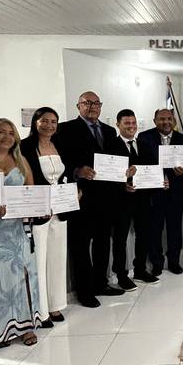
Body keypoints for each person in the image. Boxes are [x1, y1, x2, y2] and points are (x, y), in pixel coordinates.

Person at [0, 118, 41, 347]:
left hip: (16, 231)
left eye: (10, 133)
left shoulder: (20, 160)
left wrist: (40, 209)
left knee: (22, 278)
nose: (6, 136)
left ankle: (25, 327)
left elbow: (31, 192)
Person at [55, 91, 123, 307]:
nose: (92, 106)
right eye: (87, 103)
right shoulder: (65, 129)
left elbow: (116, 161)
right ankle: (84, 291)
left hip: (106, 197)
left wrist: (125, 171)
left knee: (103, 243)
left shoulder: (110, 131)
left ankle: (100, 283)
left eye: (96, 103)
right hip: (80, 196)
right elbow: (58, 160)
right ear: (78, 106)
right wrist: (76, 171)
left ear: (101, 106)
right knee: (81, 245)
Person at [20, 107, 69, 326]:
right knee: (39, 261)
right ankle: (41, 312)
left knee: (58, 259)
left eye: (53, 121)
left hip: (60, 209)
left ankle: (55, 305)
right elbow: (24, 177)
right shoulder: (25, 146)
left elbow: (67, 173)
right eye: (45, 121)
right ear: (35, 122)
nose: (49, 125)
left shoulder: (61, 144)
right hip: (39, 210)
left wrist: (73, 190)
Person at [108, 109, 155, 289]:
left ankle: (140, 269)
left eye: (133, 123)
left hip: (143, 199)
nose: (131, 126)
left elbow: (152, 169)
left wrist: (161, 180)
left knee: (143, 235)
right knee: (120, 238)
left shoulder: (144, 144)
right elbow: (107, 175)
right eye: (127, 123)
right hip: (121, 201)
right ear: (118, 125)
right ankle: (121, 274)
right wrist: (123, 185)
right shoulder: (111, 145)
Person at [137, 108, 183, 275]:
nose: (165, 122)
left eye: (168, 119)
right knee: (155, 230)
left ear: (173, 121)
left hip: (176, 192)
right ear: (154, 121)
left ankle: (174, 261)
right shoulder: (144, 138)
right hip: (154, 193)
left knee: (175, 229)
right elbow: (141, 165)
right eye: (161, 119)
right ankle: (157, 262)